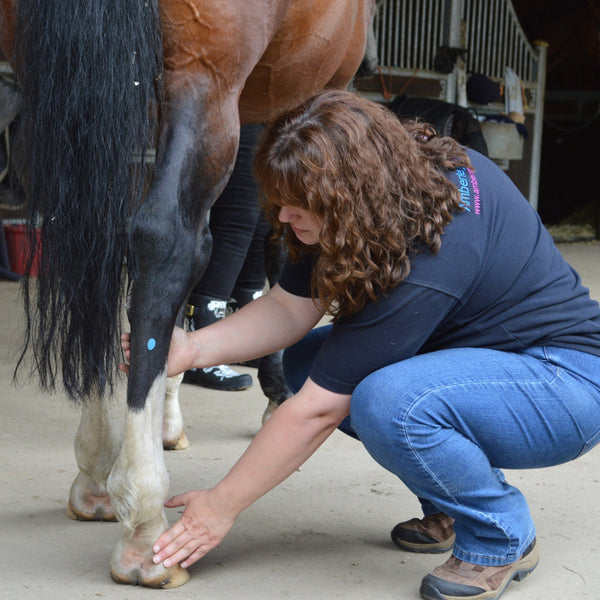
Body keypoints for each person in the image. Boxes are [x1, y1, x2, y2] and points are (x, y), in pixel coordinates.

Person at [120, 90, 600, 600]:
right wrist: (190, 350)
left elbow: (318, 412)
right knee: (306, 362)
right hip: (489, 364)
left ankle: (500, 535)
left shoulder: (436, 248)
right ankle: (454, 503)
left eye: (297, 206)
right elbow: (289, 308)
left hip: (563, 382)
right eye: (279, 202)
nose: (283, 218)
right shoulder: (360, 197)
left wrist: (218, 508)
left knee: (388, 402)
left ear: (350, 197)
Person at [183, 123, 270, 391]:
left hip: (268, 111)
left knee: (263, 216)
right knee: (238, 215)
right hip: (240, 108)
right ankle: (202, 348)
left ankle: (241, 339)